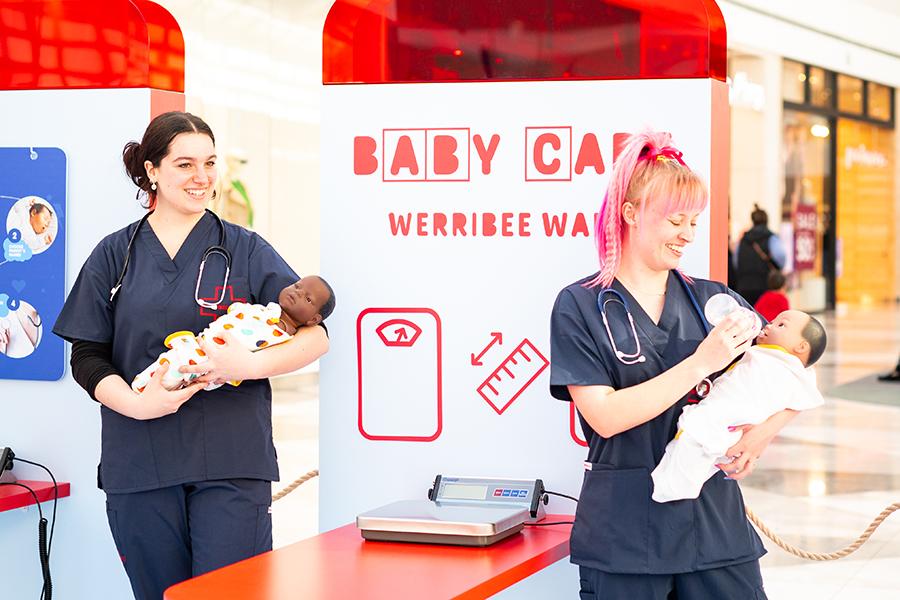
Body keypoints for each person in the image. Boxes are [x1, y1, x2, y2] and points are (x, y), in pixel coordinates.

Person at [52, 111, 329, 600]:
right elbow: (87, 355)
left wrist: (251, 365)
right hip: (140, 462)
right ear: (152, 171)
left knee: (229, 594)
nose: (201, 178)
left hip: (231, 459)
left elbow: (315, 336)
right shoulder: (115, 256)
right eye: (184, 164)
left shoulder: (244, 249)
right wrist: (141, 404)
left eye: (209, 162)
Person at [550, 130, 797, 599]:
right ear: (629, 213)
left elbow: (791, 370)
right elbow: (605, 417)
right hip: (625, 533)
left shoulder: (715, 301)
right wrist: (702, 362)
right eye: (676, 220)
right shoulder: (578, 306)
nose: (688, 234)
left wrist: (762, 434)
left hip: (714, 527)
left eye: (694, 221)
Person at [652, 309, 826, 502]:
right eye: (773, 320)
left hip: (734, 419)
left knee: (697, 441)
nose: (768, 325)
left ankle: (673, 487)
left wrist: (766, 430)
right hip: (724, 414)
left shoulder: (789, 368)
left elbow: (808, 393)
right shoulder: (765, 348)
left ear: (801, 347)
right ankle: (674, 484)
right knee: (694, 448)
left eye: (780, 325)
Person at [131, 275, 334, 393]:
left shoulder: (284, 338)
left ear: (314, 320)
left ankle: (145, 390)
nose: (298, 292)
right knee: (168, 363)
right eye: (297, 286)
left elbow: (319, 340)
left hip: (207, 363)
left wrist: (250, 366)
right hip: (199, 344)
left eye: (308, 299)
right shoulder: (267, 311)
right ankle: (141, 391)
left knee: (177, 373)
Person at [736, 204, 785, 305]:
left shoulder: (743, 239)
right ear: (766, 220)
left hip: (744, 287)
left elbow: (736, 262)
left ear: (753, 221)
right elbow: (781, 257)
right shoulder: (771, 238)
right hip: (765, 285)